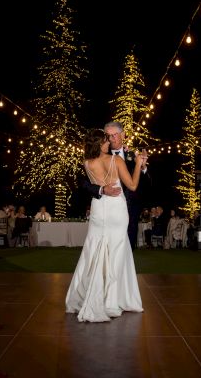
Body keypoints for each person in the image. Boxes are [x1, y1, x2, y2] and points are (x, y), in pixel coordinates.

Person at [66, 128, 145, 322]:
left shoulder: (86, 163)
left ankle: (87, 295)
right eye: (106, 139)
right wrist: (137, 165)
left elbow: (87, 185)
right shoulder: (116, 160)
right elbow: (133, 186)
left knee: (93, 249)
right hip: (116, 210)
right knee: (117, 252)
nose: (109, 141)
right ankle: (111, 300)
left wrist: (101, 189)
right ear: (100, 142)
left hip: (98, 209)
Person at [82, 121, 151, 250]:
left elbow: (148, 184)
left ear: (123, 135)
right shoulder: (94, 158)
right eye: (108, 136)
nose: (111, 139)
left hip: (129, 210)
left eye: (115, 135)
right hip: (102, 208)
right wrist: (101, 189)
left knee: (126, 248)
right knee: (101, 247)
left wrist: (142, 167)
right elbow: (84, 184)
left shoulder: (133, 155)